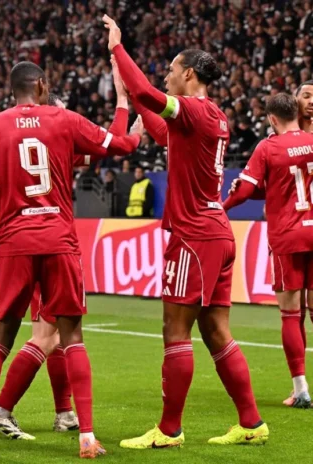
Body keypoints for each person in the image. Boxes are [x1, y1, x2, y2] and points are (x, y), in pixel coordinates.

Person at [0, 61, 142, 459]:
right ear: (41, 85)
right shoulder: (64, 121)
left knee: (0, 341)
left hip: (14, 244)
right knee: (71, 339)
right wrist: (126, 107)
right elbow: (121, 145)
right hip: (58, 240)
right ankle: (86, 437)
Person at [104, 14, 268, 448]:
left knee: (174, 330)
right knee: (215, 331)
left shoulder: (193, 108)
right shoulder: (213, 115)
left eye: (172, 70)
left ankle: (169, 430)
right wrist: (133, 98)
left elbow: (149, 94)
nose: (168, 76)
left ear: (189, 74)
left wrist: (118, 49)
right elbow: (162, 131)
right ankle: (251, 423)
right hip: (216, 232)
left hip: (194, 236)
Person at [224, 93, 313, 409]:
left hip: (288, 236)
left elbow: (246, 189)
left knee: (291, 313)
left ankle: (301, 389)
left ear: (272, 119)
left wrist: (222, 206)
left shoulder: (268, 147)